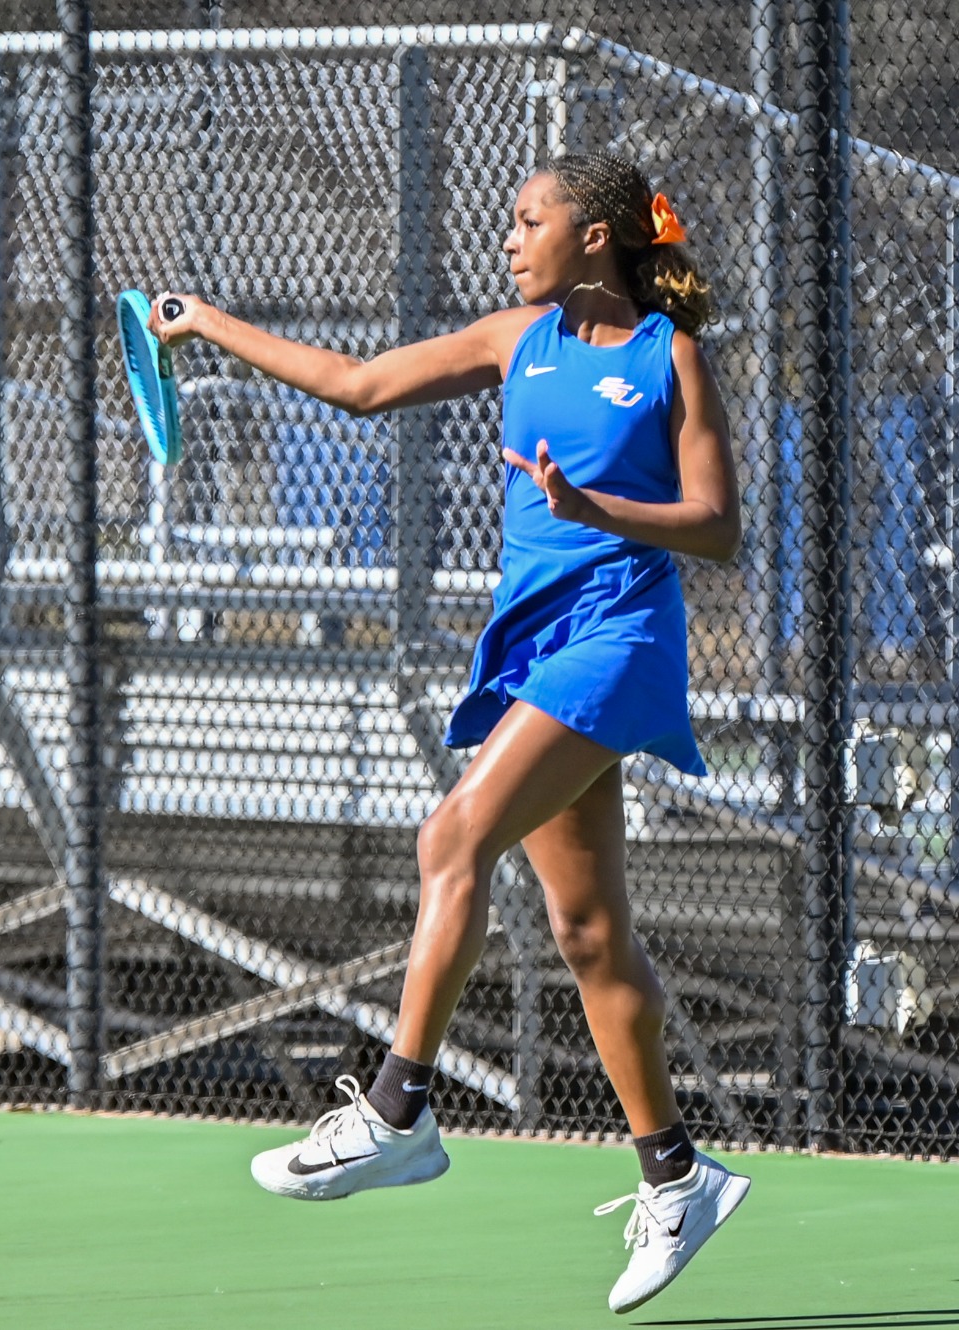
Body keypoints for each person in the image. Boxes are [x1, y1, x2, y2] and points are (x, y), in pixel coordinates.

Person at [150, 151, 748, 1314]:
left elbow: (717, 527)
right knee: (585, 929)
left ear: (593, 238)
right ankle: (676, 1177)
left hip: (617, 639)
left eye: (528, 221)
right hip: (530, 646)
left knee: (451, 837)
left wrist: (595, 508)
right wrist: (206, 322)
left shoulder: (666, 355)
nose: (508, 239)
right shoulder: (509, 340)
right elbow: (357, 384)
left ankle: (395, 1109)